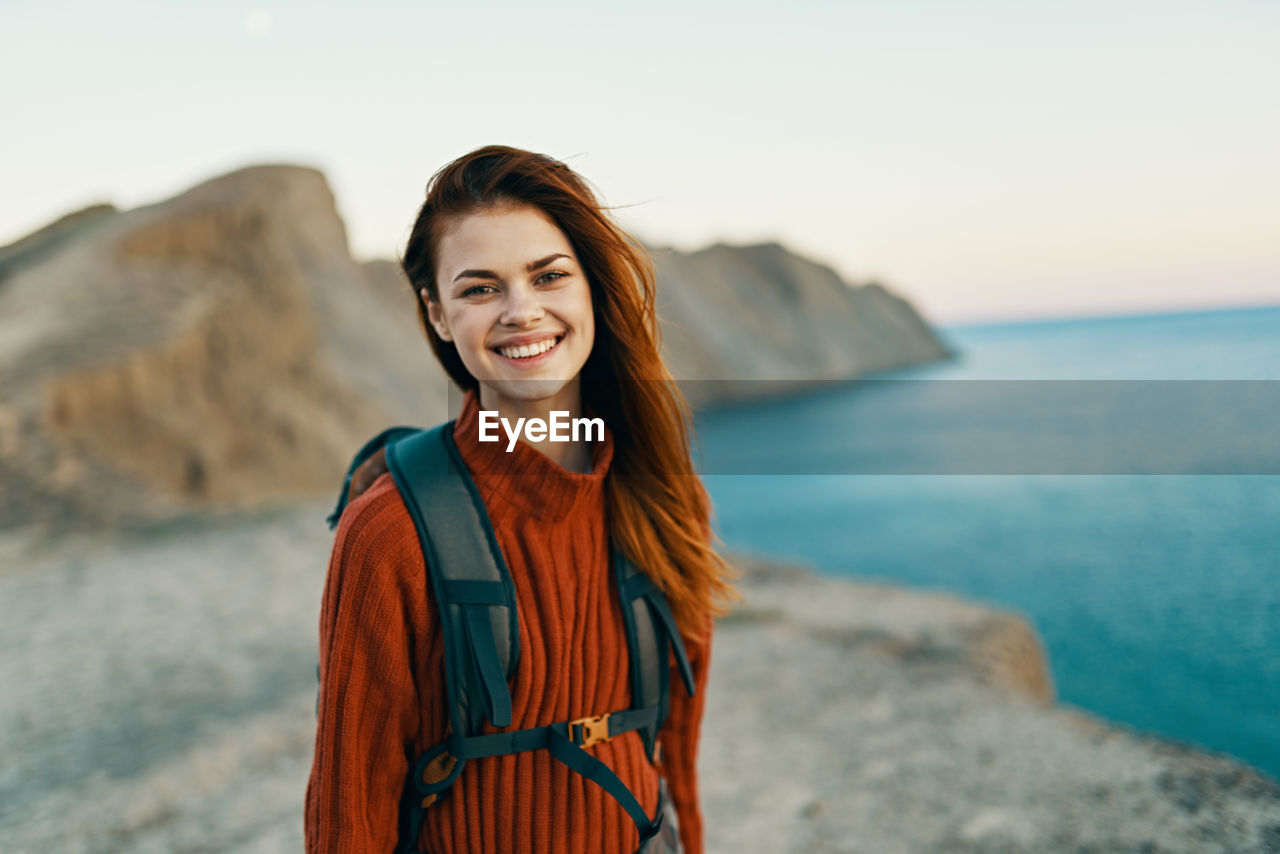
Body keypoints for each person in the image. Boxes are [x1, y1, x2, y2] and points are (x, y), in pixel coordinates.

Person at [305, 145, 739, 854]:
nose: (522, 311)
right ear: (438, 314)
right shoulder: (388, 533)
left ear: (589, 287)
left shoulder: (666, 498)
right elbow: (347, 812)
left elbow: (673, 749)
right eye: (480, 289)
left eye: (549, 276)